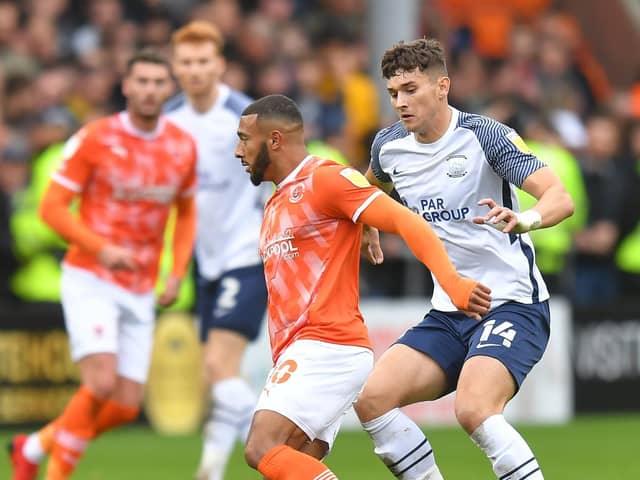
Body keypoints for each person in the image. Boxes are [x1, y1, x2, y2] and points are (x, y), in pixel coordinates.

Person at [235, 93, 491, 480]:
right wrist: (363, 226)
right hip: (303, 350)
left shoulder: (326, 178)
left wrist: (451, 282)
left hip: (325, 344)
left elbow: (408, 222)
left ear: (274, 141)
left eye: (244, 139)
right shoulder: (275, 202)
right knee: (286, 459)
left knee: (262, 447)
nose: (238, 150)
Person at [353, 38, 575, 480]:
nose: (400, 102)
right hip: (450, 311)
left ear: (442, 86)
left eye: (411, 89)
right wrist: (366, 224)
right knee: (371, 400)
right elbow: (364, 193)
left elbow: (560, 197)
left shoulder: (485, 135)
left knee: (473, 409)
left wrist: (524, 219)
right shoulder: (389, 146)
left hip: (511, 303)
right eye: (393, 92)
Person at [8, 49, 197, 480]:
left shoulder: (181, 146)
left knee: (125, 405)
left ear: (169, 89)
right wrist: (100, 247)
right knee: (100, 384)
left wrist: (175, 271)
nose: (149, 90)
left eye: (158, 83)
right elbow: (51, 209)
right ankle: (51, 473)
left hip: (141, 283)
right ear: (126, 86)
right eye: (142, 82)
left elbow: (186, 213)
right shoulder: (95, 137)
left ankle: (33, 446)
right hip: (91, 275)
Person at [165, 20, 270, 480]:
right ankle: (210, 469)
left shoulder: (242, 119)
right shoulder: (169, 120)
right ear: (176, 67)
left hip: (246, 254)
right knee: (218, 375)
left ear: (220, 64)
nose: (195, 70)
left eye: (203, 61)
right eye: (186, 62)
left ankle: (284, 443)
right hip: (205, 262)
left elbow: (279, 176)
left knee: (217, 364)